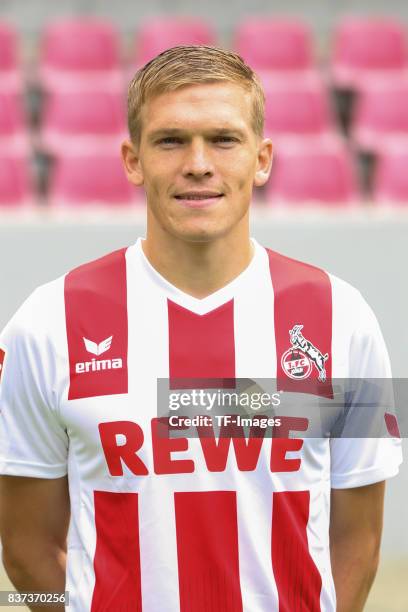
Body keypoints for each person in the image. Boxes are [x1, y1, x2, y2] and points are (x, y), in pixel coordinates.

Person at [0, 45, 402, 612]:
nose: (198, 163)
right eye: (170, 140)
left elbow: (358, 538)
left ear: (261, 159)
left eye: (223, 138)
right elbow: (25, 545)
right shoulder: (43, 325)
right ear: (132, 159)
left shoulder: (346, 317)